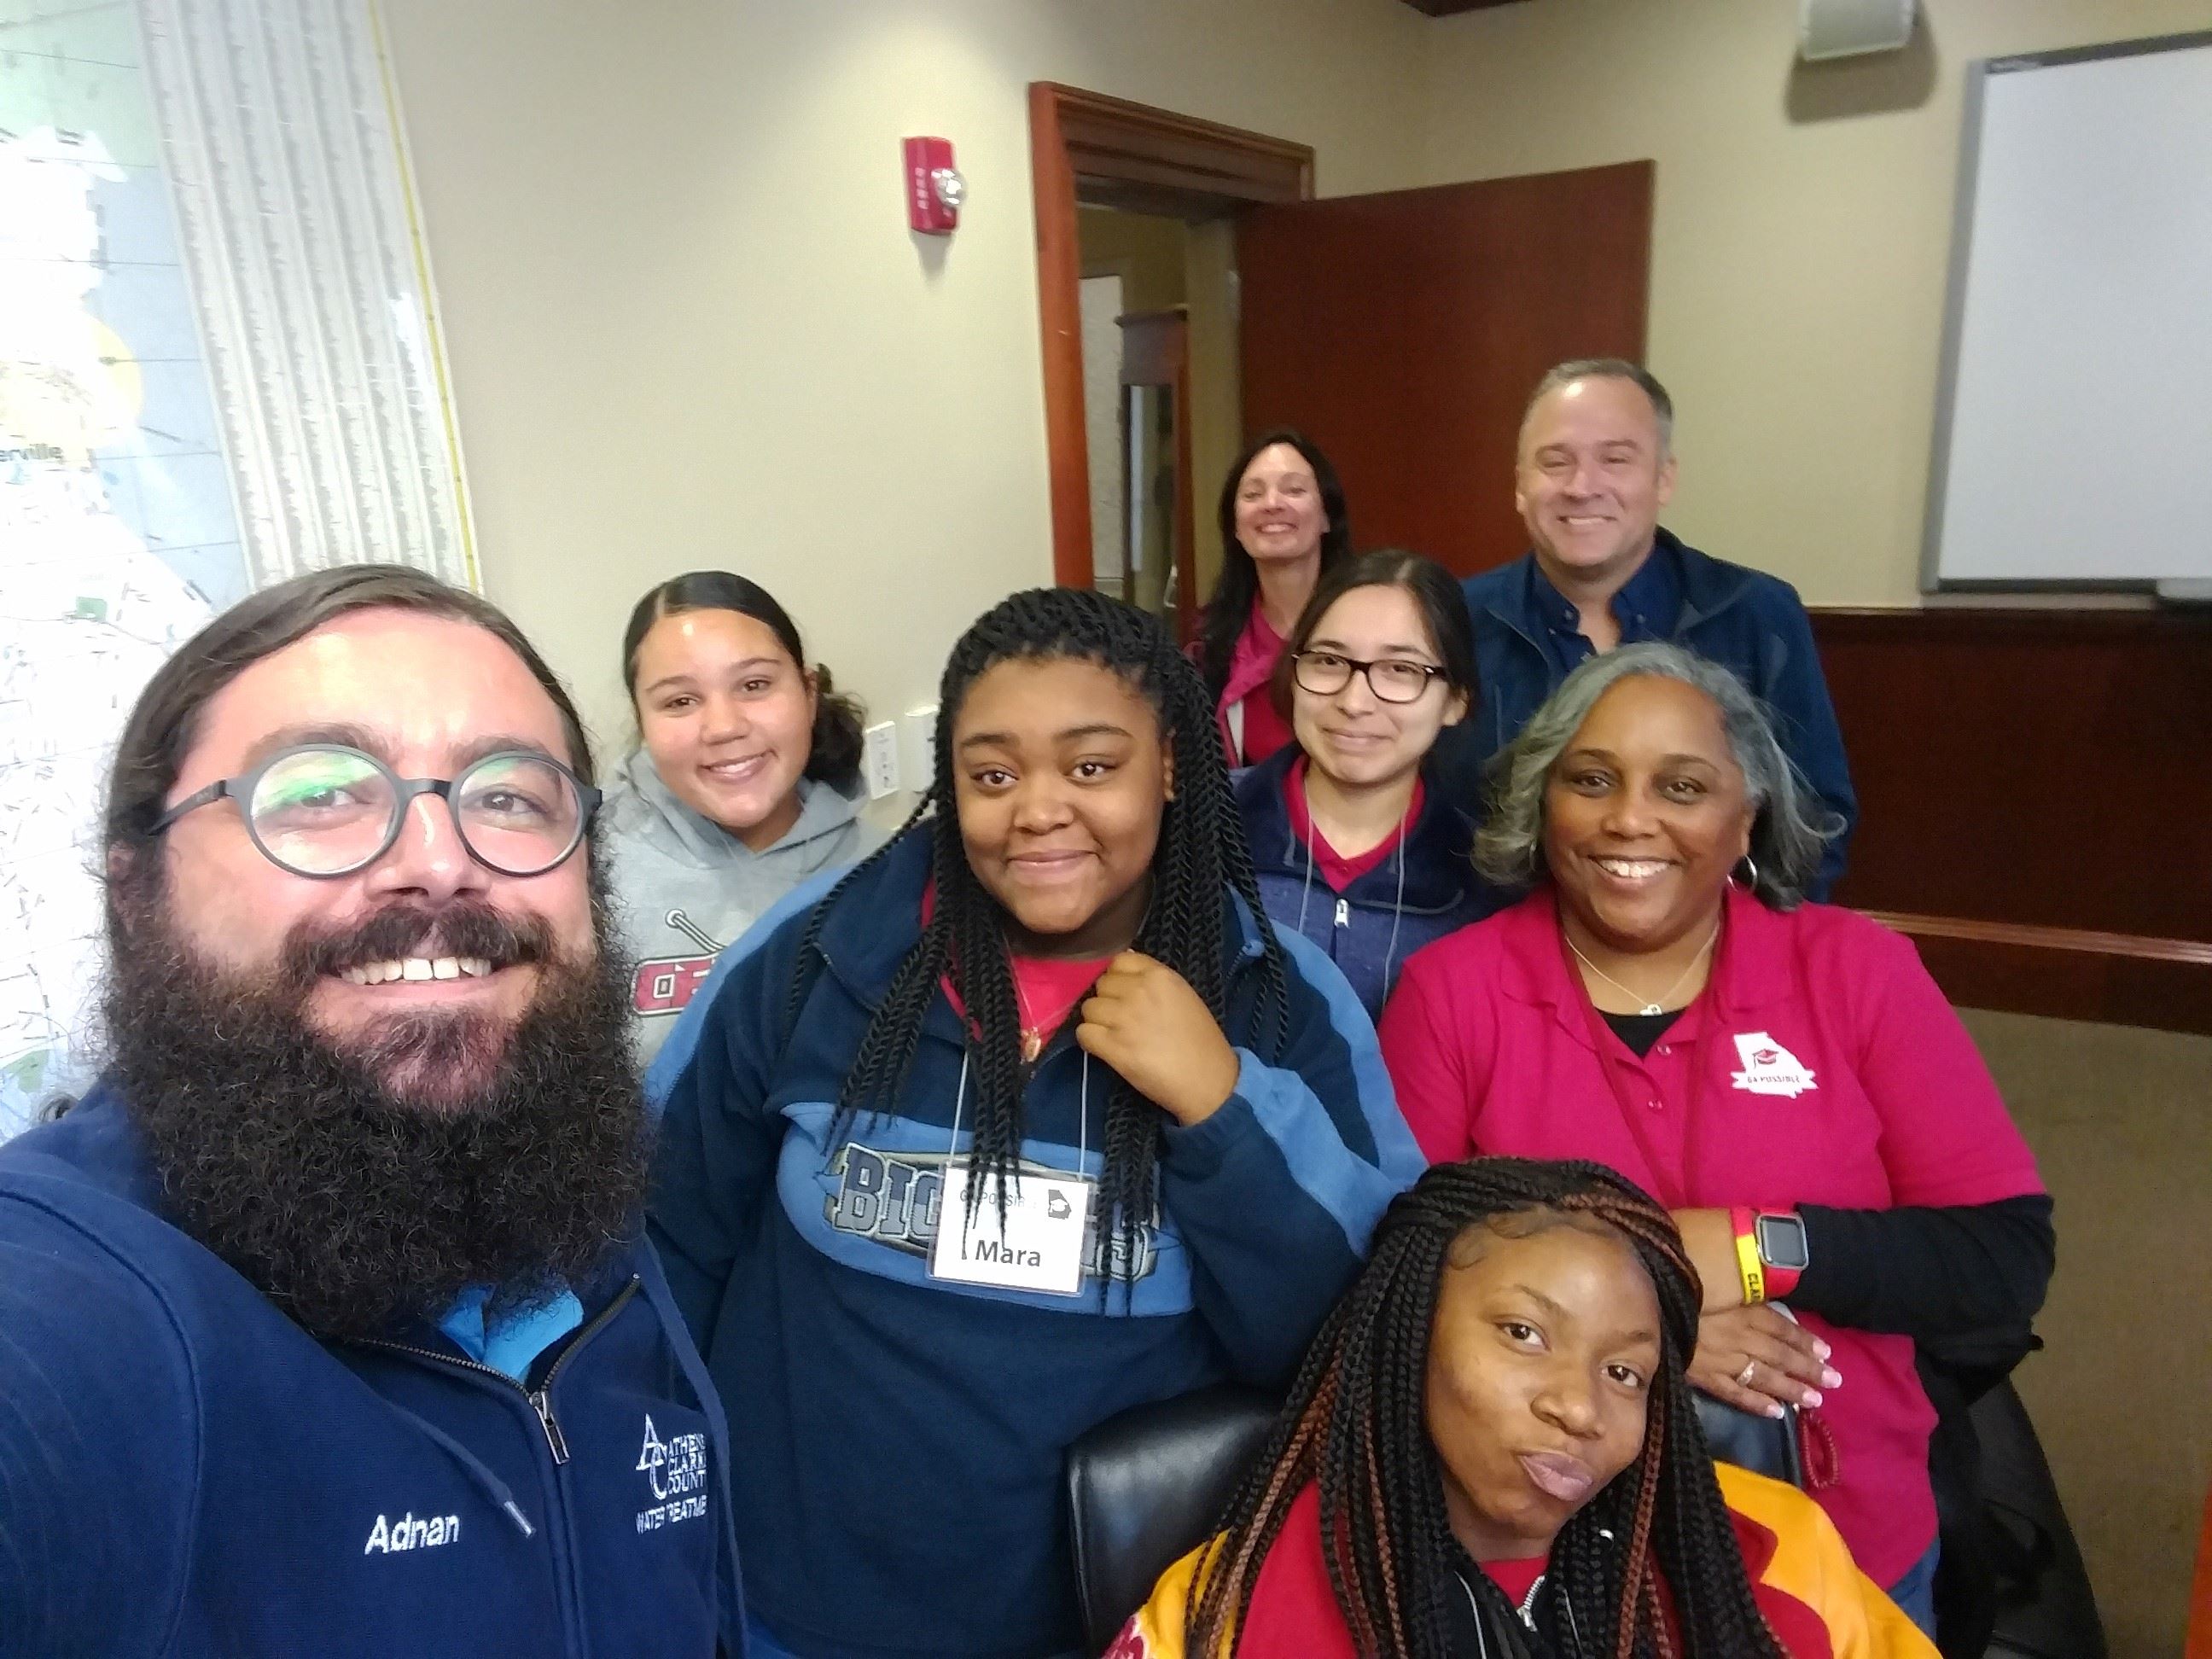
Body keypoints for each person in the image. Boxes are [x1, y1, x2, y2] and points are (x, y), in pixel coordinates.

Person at [648, 587, 1423, 1658]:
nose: (1038, 809)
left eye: (1093, 766)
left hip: (1121, 1622)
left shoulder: (1276, 1001)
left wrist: (1222, 1107)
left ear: (1173, 768)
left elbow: (1347, 1337)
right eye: (993, 774)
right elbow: (666, 1237)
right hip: (793, 1603)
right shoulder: (819, 954)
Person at [0, 567, 739, 1656]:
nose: (441, 865)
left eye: (508, 795)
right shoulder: (73, 1307)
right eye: (319, 793)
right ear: (134, 888)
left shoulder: (577, 1199)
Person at [1378, 644, 2052, 1636]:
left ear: (1747, 819)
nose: (1630, 819)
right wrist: (1653, 1323)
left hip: (1840, 1541)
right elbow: (1398, 1272)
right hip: (1543, 1552)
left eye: (1682, 787)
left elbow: (2001, 1259)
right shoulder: (1452, 992)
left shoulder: (1859, 971)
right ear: (1542, 803)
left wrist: (1754, 1244)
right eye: (1591, 780)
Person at [1112, 1158, 1937, 1657]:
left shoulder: (1780, 1547)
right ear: (1408, 1335)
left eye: (1624, 1373)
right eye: (1524, 1333)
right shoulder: (1223, 1609)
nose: (1580, 1409)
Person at [1441, 359, 1857, 898]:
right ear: (1520, 485)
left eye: (1615, 459)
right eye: (1554, 462)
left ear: (1664, 479)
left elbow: (1815, 822)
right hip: (1498, 956)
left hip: (1707, 954)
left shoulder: (1756, 613)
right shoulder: (1453, 620)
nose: (1581, 486)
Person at [606, 569, 884, 1059]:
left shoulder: (892, 871)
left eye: (754, 685)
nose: (724, 727)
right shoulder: (587, 873)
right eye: (681, 701)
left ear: (808, 692)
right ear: (641, 720)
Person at [1233, 550, 1497, 1020]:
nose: (1354, 702)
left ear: (1456, 701)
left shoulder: (1485, 883)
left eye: (1401, 670)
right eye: (1329, 661)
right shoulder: (1197, 824)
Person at [1193, 428, 1352, 767]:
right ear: (1235, 527)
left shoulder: (1373, 628)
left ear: (1326, 517)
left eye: (1294, 490)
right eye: (1253, 494)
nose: (1272, 504)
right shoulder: (1209, 651)